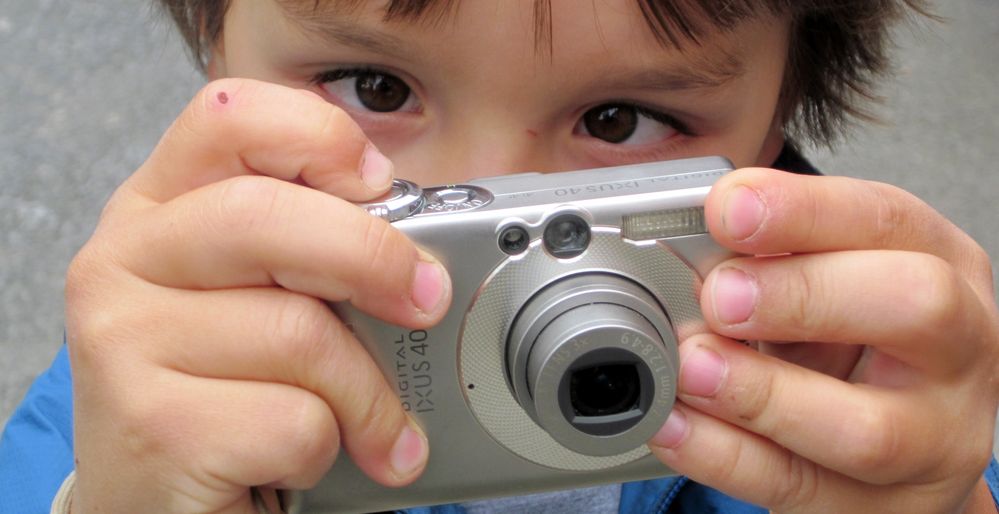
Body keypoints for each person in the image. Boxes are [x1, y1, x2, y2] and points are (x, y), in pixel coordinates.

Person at [2, 0, 998, 512]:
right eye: (374, 89)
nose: (486, 198)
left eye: (620, 118)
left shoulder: (859, 397)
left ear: (774, 122)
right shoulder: (153, 386)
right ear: (217, 55)